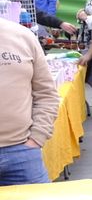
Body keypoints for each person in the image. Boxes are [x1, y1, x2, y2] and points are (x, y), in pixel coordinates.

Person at [0, 14, 59, 185]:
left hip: (21, 153)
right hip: (23, 151)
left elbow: (46, 94)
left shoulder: (22, 36)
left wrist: (36, 138)